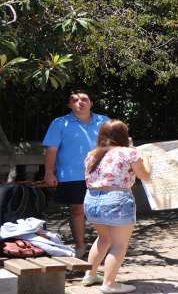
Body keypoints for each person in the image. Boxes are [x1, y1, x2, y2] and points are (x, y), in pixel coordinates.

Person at [82, 120, 150, 294]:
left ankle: (90, 274)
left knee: (103, 238)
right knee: (119, 245)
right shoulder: (129, 153)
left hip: (92, 199)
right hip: (117, 199)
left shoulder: (92, 154)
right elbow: (144, 175)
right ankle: (109, 283)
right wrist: (146, 160)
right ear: (123, 135)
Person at [42, 90, 110, 257]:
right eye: (75, 100)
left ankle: (111, 245)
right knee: (77, 210)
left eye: (84, 99)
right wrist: (49, 173)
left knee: (105, 210)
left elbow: (118, 146)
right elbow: (51, 150)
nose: (80, 102)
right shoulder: (59, 123)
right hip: (73, 174)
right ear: (69, 105)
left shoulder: (105, 122)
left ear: (91, 103)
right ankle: (80, 247)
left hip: (103, 174)